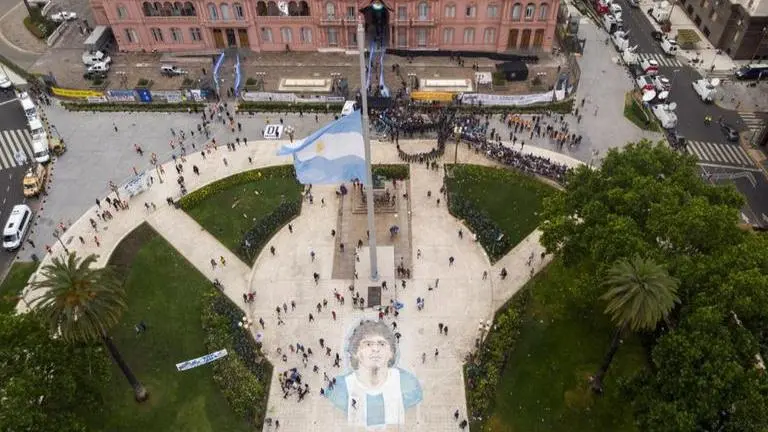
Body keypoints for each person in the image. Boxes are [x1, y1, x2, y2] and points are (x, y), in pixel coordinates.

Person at [325, 320, 422, 427]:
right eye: (368, 344)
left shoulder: (408, 384)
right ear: (356, 352)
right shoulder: (341, 388)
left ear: (391, 353)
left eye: (382, 344)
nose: (375, 349)